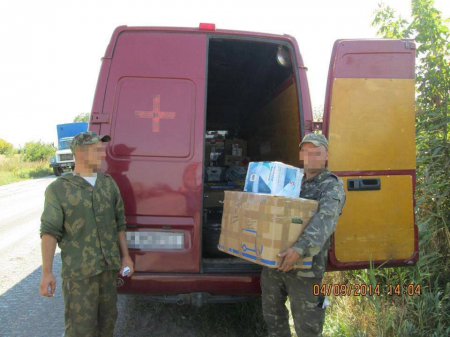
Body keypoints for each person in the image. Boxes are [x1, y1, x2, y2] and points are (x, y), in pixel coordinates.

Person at [39, 131, 134, 337]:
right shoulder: (59, 190)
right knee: (80, 330)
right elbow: (49, 232)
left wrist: (126, 257)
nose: (103, 155)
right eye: (97, 150)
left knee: (107, 324)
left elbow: (120, 224)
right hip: (80, 275)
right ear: (81, 154)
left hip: (108, 271)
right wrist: (47, 272)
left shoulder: (108, 184)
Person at [261, 133, 346, 337]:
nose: (312, 157)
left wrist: (299, 249)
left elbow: (325, 221)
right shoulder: (291, 179)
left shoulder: (331, 185)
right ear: (301, 155)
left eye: (317, 153)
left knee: (308, 326)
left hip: (305, 268)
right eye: (307, 152)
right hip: (275, 262)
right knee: (273, 317)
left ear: (326, 156)